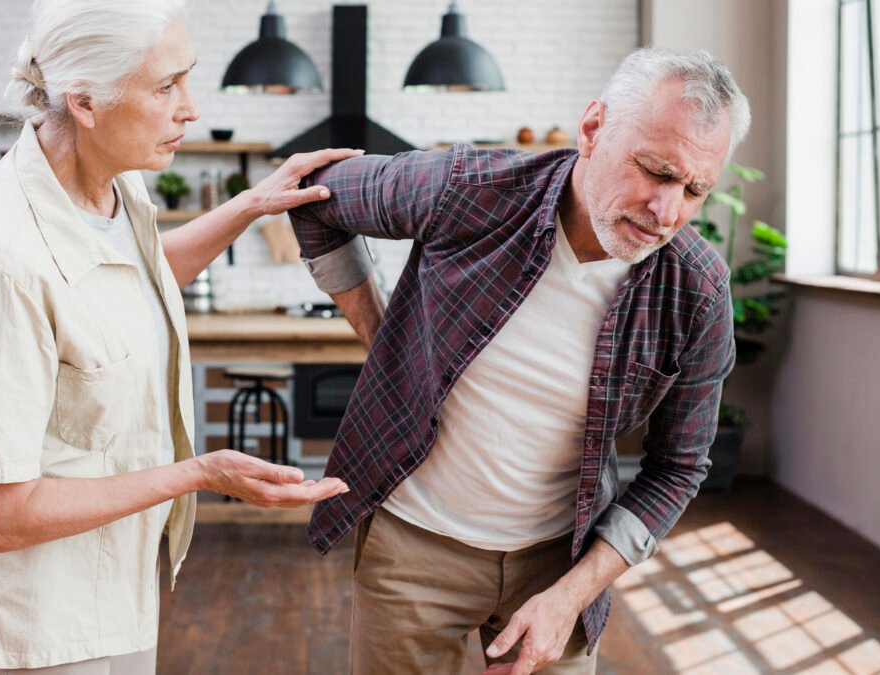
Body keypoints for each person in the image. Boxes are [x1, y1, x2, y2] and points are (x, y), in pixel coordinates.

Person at [288, 47, 750, 674]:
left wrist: (570, 597)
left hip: (559, 563)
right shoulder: (471, 189)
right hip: (412, 549)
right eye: (655, 171)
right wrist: (382, 336)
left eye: (695, 189)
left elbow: (678, 467)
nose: (667, 212)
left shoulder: (698, 288)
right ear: (593, 130)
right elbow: (314, 195)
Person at [0, 0, 358, 672]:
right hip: (44, 624)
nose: (189, 107)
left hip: (117, 585)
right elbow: (3, 514)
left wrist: (248, 205)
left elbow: (139, 273)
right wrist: (199, 473)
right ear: (87, 103)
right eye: (166, 87)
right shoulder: (4, 265)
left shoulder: (112, 186)